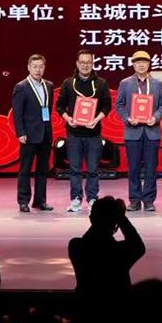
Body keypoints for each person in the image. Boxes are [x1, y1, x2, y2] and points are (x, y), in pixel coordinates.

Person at [68, 196, 146, 323]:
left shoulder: (76, 246)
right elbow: (138, 245)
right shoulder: (119, 252)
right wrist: (121, 219)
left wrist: (102, 220)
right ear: (115, 223)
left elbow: (90, 238)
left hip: (87, 312)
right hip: (117, 313)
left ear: (92, 219)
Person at [55, 49, 112, 213]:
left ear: (92, 64)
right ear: (77, 64)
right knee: (75, 169)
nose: (85, 65)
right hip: (73, 134)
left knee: (93, 169)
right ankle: (76, 199)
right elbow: (60, 106)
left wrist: (96, 119)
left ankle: (93, 199)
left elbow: (107, 106)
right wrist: (68, 118)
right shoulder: (68, 83)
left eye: (88, 62)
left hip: (94, 134)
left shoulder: (101, 83)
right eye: (82, 62)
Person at [115, 50, 162, 212]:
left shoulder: (158, 84)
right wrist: (128, 118)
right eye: (138, 62)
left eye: (144, 62)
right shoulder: (125, 83)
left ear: (149, 64)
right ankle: (135, 200)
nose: (141, 65)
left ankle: (149, 200)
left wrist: (156, 117)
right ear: (133, 64)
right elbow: (119, 105)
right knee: (133, 168)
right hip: (132, 132)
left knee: (151, 168)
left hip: (152, 132)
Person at [11, 54, 55, 213]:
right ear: (28, 68)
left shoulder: (49, 85)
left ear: (44, 68)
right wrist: (20, 132)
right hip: (28, 135)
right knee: (25, 169)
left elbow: (48, 109)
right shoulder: (21, 87)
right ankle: (23, 201)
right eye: (35, 66)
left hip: (45, 134)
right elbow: (17, 113)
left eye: (41, 66)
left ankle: (40, 201)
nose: (38, 70)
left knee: (43, 170)